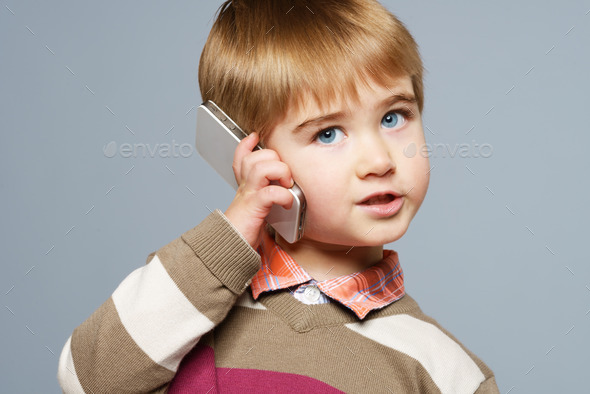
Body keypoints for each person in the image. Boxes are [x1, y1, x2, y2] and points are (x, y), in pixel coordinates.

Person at [57, 0, 499, 392]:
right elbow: (87, 379)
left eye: (393, 117)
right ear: (250, 154)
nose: (380, 160)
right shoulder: (183, 305)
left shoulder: (445, 372)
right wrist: (228, 237)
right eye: (328, 133)